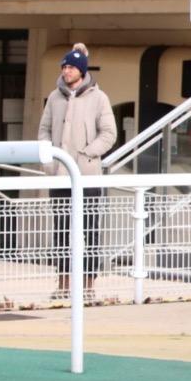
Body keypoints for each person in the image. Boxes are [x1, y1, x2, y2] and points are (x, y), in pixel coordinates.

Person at [38, 44, 116, 302]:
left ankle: (88, 285)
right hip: (60, 175)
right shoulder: (54, 97)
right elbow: (44, 131)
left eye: (71, 67)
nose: (66, 71)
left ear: (81, 71)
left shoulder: (99, 97)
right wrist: (50, 161)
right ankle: (63, 284)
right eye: (64, 67)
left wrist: (87, 153)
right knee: (61, 232)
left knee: (90, 231)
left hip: (88, 176)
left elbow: (108, 133)